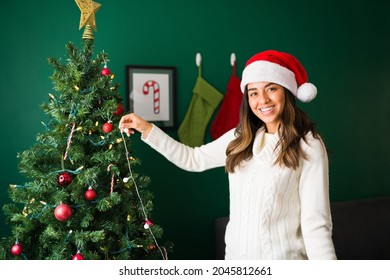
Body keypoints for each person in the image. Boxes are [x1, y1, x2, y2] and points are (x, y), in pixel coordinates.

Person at [119, 50, 337, 260]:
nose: (262, 100)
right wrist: (147, 129)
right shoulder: (240, 138)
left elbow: (316, 226)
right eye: (253, 93)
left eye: (271, 89)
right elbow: (192, 159)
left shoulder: (308, 145)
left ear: (287, 91)